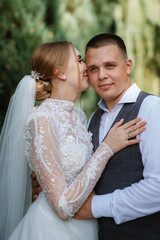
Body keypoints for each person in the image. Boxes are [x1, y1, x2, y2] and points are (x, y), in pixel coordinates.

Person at [0, 41, 146, 240]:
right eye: (78, 60)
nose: (86, 66)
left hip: (87, 227)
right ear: (60, 72)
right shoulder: (41, 119)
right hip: (53, 230)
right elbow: (62, 206)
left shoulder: (78, 115)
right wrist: (106, 148)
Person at [73, 33, 160, 240]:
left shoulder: (151, 109)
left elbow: (157, 187)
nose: (101, 75)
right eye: (93, 69)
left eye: (110, 66)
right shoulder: (93, 118)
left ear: (128, 66)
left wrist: (95, 207)